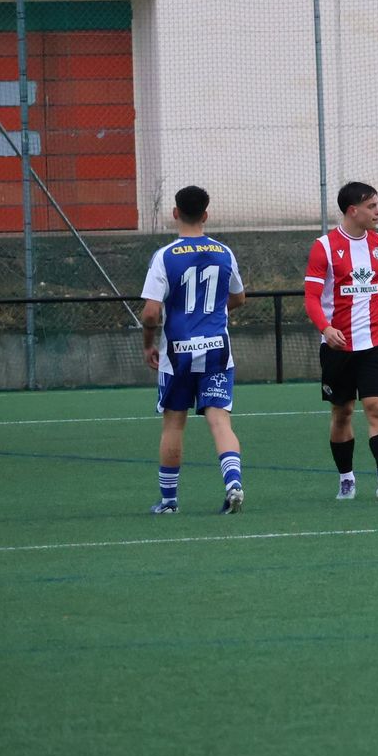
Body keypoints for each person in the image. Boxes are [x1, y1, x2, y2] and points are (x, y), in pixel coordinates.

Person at [140, 185, 247, 515]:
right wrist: (214, 310)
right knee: (220, 421)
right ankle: (233, 483)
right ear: (205, 215)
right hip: (217, 347)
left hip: (179, 351)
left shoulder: (165, 256)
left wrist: (148, 345)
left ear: (175, 213)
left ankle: (169, 502)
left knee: (174, 423)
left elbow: (151, 313)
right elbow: (239, 298)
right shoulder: (224, 252)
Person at [305, 181, 378, 501]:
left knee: (376, 407)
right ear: (353, 210)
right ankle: (346, 478)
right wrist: (325, 328)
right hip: (338, 347)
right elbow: (311, 297)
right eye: (372, 206)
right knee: (342, 413)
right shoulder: (324, 247)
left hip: (375, 342)